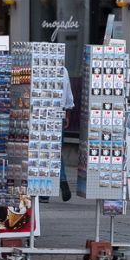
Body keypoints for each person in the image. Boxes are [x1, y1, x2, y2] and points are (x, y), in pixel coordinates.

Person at [57, 61, 74, 202]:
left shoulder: (36, 67)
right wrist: (67, 114)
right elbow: (68, 96)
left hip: (41, 114)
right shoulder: (63, 70)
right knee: (57, 151)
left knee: (43, 151)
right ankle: (63, 181)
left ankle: (44, 193)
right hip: (59, 114)